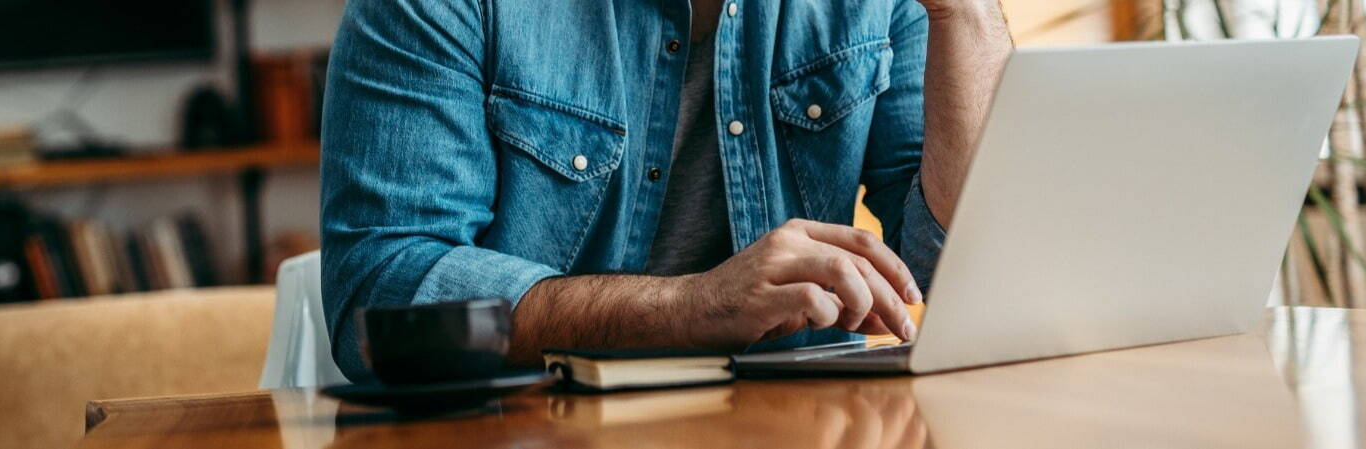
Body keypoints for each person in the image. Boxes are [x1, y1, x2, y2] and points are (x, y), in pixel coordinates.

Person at [319, 0, 1012, 382]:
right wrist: (686, 307)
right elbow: (382, 313)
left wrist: (969, 12)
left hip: (801, 426)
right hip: (525, 429)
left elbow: (965, 281)